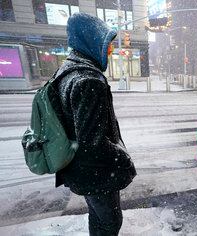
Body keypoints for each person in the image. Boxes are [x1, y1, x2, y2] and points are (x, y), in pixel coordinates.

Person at [55, 13, 136, 235]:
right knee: (110, 222)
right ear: (91, 41)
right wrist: (123, 157)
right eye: (106, 44)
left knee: (98, 217)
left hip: (78, 168)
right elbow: (93, 143)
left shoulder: (67, 72)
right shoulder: (88, 80)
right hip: (96, 173)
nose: (109, 51)